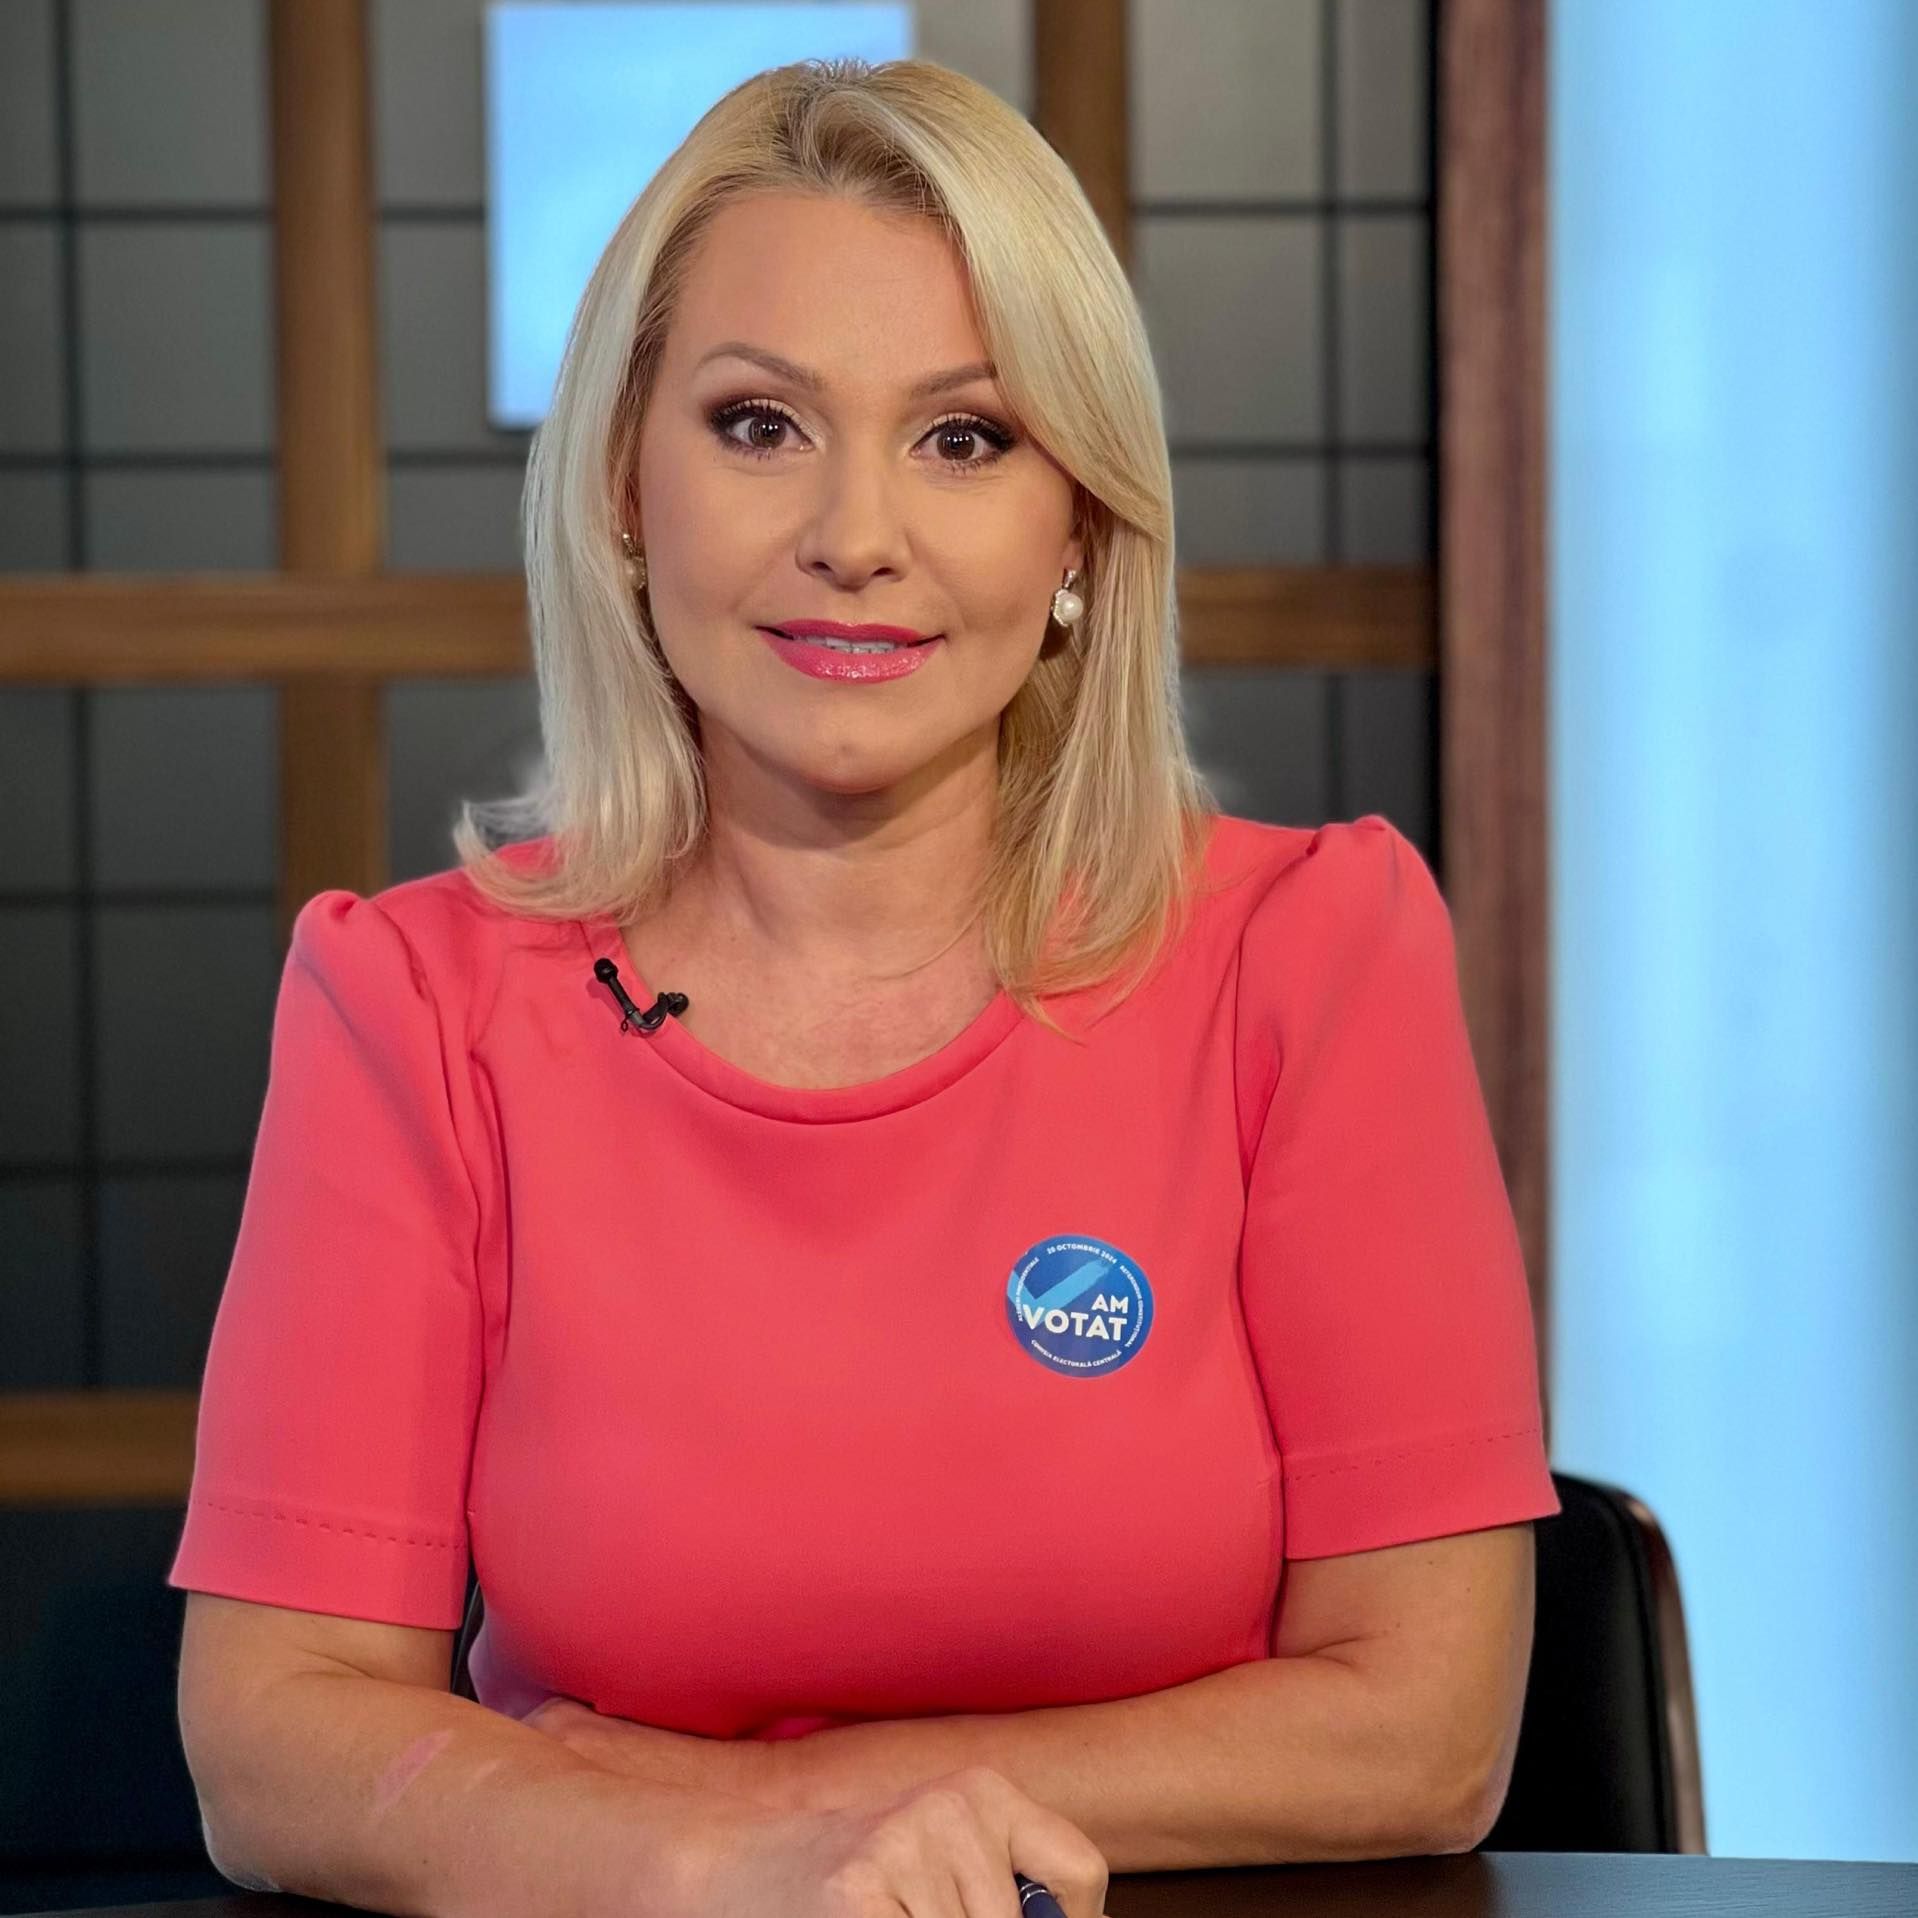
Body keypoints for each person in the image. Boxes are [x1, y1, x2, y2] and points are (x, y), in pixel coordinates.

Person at [169, 53, 1559, 1918]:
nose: (855, 534)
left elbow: (1426, 1731)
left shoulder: (1313, 954)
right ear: (624, 487)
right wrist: (711, 1861)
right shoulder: (411, 1002)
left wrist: (785, 1801)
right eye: (759, 425)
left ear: (1078, 530)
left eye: (962, 438)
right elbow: (270, 1738)